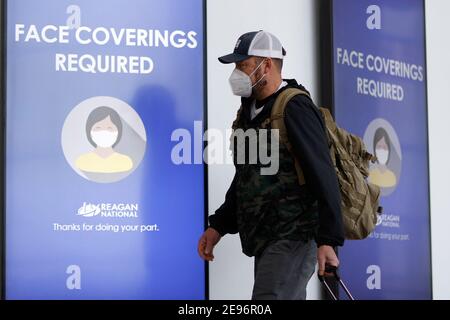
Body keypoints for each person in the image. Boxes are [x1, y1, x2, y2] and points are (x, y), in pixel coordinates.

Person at [197, 31, 345, 300]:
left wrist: (328, 240)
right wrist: (218, 226)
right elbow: (247, 178)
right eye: (236, 66)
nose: (237, 73)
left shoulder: (295, 106)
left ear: (266, 65)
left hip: (294, 233)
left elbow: (323, 174)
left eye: (243, 65)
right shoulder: (248, 112)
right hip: (264, 236)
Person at [76, 106, 133, 173]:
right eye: (98, 128)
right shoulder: (82, 162)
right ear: (89, 131)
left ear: (118, 132)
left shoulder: (126, 163)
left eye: (109, 128)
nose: (104, 132)